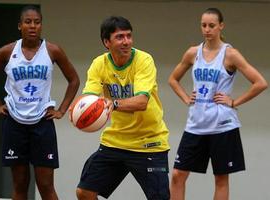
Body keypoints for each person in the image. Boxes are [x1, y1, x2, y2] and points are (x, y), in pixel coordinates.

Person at [168, 7, 268, 200]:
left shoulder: (230, 54)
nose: (207, 29)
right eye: (204, 25)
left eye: (212, 25)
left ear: (221, 26)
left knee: (221, 179)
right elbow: (173, 79)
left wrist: (234, 101)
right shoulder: (192, 53)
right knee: (177, 175)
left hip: (222, 125)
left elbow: (260, 83)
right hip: (196, 125)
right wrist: (186, 98)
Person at [0, 5, 80, 200]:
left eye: (37, 22)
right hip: (14, 123)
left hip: (42, 123)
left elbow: (74, 80)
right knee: (20, 184)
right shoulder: (8, 51)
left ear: (41, 25)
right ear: (20, 26)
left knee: (45, 185)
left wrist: (61, 109)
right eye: (28, 22)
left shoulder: (52, 50)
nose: (33, 26)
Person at [75, 16, 170, 200]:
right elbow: (90, 98)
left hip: (149, 143)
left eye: (129, 36)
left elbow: (142, 102)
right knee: (84, 192)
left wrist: (114, 104)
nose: (126, 41)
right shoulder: (99, 64)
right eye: (119, 37)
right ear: (106, 42)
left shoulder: (144, 60)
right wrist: (80, 110)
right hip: (115, 141)